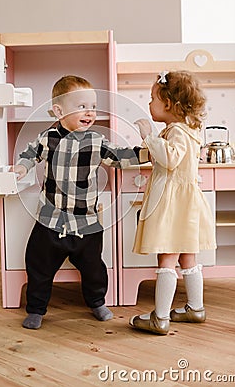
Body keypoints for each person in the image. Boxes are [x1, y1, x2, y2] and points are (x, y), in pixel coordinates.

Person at [12, 75, 149, 329]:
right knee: (38, 264)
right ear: (59, 111)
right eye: (82, 106)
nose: (90, 112)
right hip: (51, 219)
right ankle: (36, 309)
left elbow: (121, 157)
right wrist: (22, 167)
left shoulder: (96, 142)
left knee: (94, 267)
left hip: (86, 221)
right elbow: (30, 153)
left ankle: (96, 301)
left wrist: (146, 147)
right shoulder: (48, 138)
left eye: (94, 107)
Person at [129, 70, 216, 335]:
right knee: (188, 256)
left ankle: (161, 317)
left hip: (173, 204)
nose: (149, 103)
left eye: (152, 97)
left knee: (167, 257)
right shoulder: (188, 129)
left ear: (168, 104)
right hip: (187, 203)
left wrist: (148, 135)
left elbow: (170, 159)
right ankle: (195, 308)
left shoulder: (176, 131)